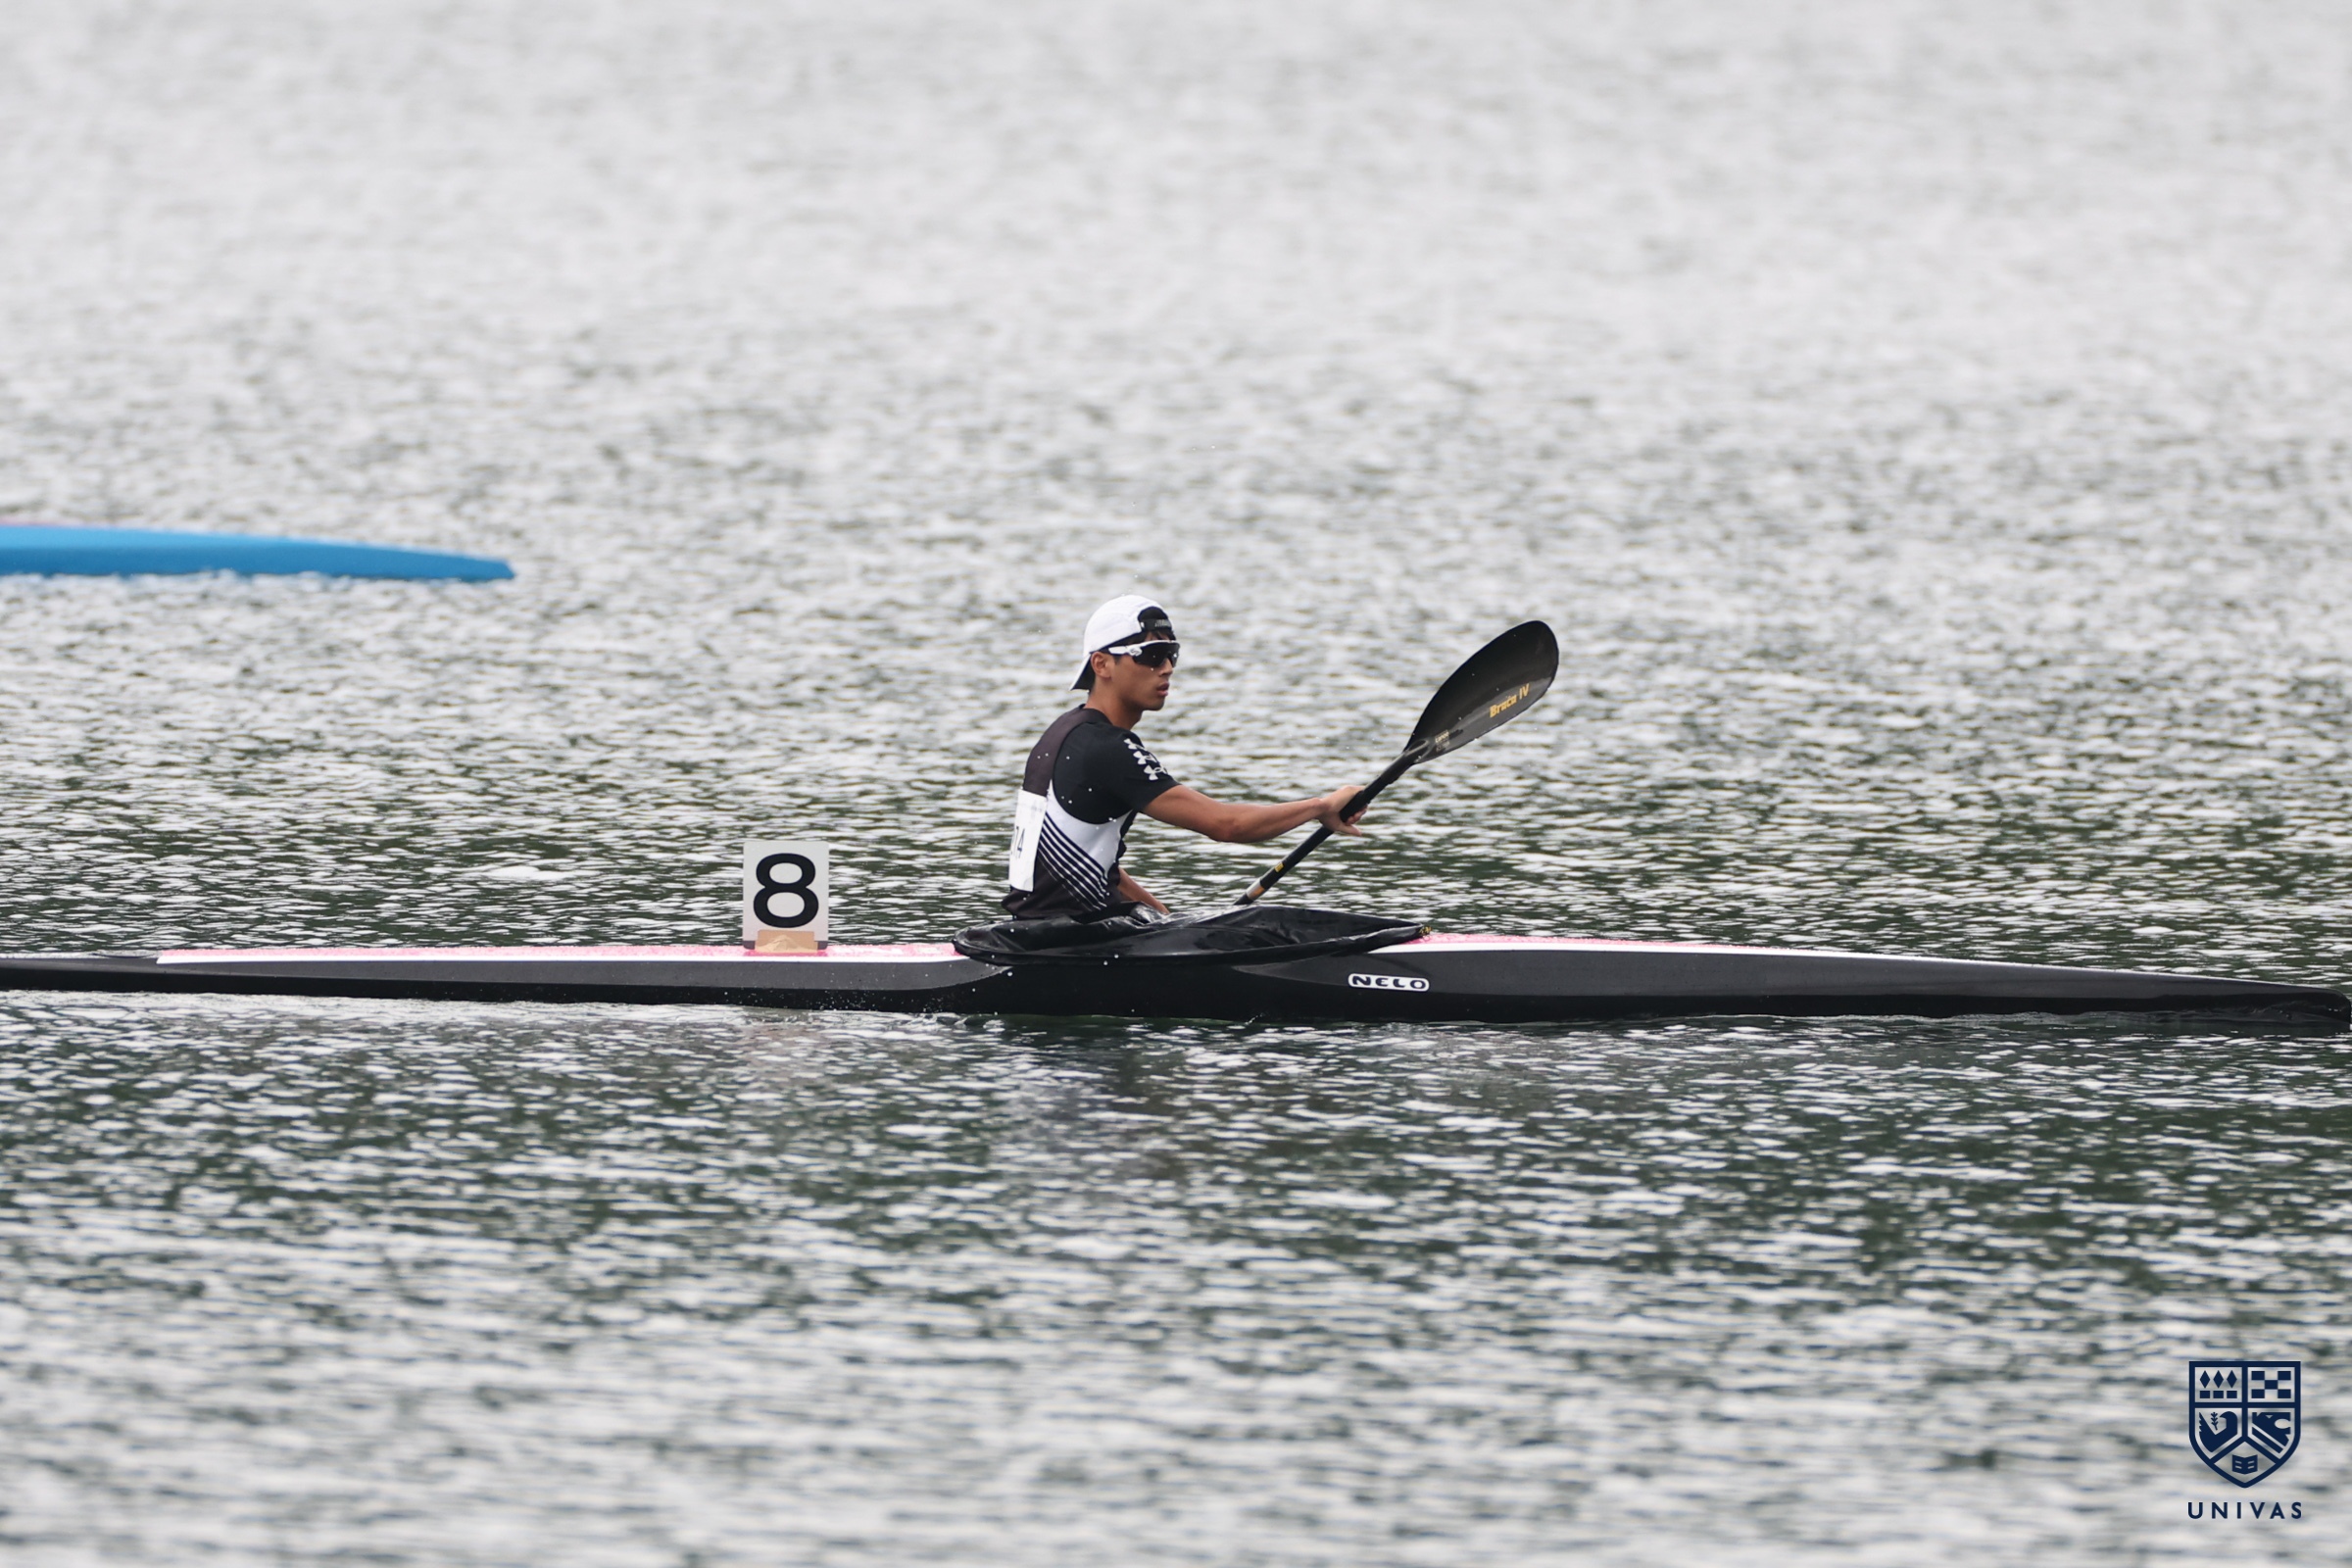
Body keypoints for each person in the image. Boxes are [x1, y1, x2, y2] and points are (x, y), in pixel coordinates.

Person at [1003, 595, 1365, 918]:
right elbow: (1227, 825)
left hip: (1040, 935)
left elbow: (1098, 866)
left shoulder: (1063, 732)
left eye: (1171, 654)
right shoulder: (1105, 749)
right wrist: (1320, 807)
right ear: (1102, 664)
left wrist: (1166, 919)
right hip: (1075, 944)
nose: (1167, 667)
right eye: (1151, 655)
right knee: (1270, 925)